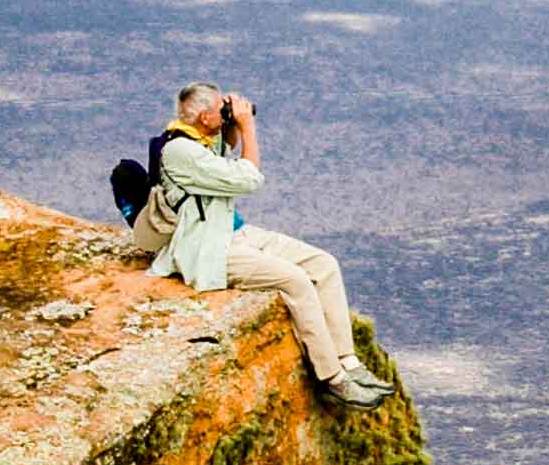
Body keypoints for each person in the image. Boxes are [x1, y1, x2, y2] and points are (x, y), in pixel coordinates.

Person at [132, 82, 395, 409]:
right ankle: (332, 379)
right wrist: (248, 127)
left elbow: (224, 154)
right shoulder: (180, 151)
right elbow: (248, 178)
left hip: (232, 232)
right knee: (296, 281)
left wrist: (229, 126)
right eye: (220, 108)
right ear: (203, 116)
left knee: (323, 264)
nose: (227, 112)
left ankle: (349, 361)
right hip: (206, 249)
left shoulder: (199, 138)